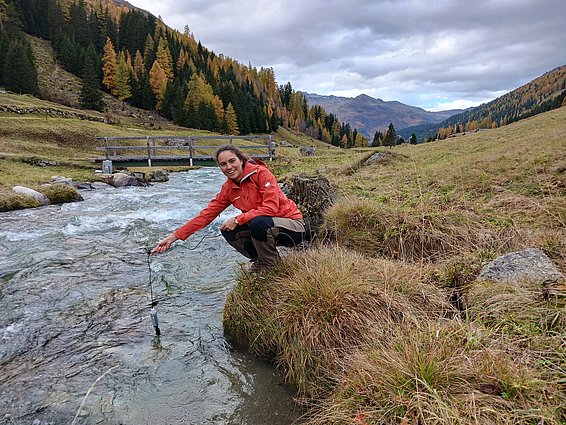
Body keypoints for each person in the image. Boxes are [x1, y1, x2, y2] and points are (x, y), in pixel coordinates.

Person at [151, 144, 305, 272]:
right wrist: (173, 238)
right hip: (267, 227)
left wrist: (238, 218)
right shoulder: (228, 189)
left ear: (241, 160)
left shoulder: (261, 174)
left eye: (232, 161)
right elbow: (205, 216)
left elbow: (270, 208)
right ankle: (263, 261)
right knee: (227, 229)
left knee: (259, 222)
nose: (229, 167)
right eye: (223, 164)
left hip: (292, 226)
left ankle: (270, 266)